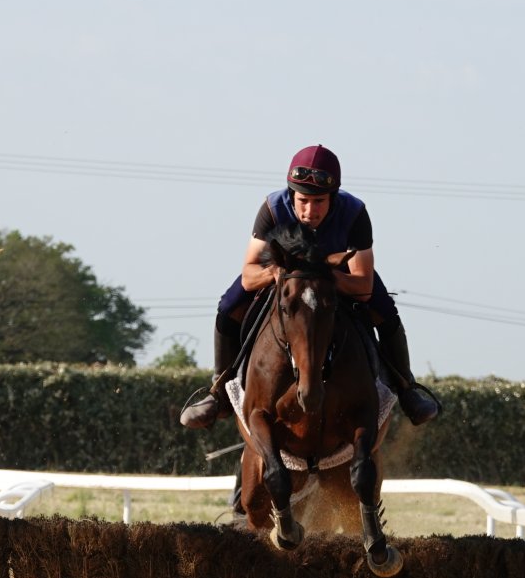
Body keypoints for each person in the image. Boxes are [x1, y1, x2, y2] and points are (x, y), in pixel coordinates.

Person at [179, 144, 440, 429]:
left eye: (319, 202)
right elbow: (249, 275)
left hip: (335, 273)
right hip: (285, 273)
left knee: (385, 310)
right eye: (303, 200)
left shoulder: (354, 213)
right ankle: (218, 393)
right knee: (228, 306)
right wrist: (277, 272)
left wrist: (322, 276)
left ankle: (407, 389)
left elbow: (363, 283)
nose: (309, 210)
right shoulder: (272, 209)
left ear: (333, 197)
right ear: (292, 194)